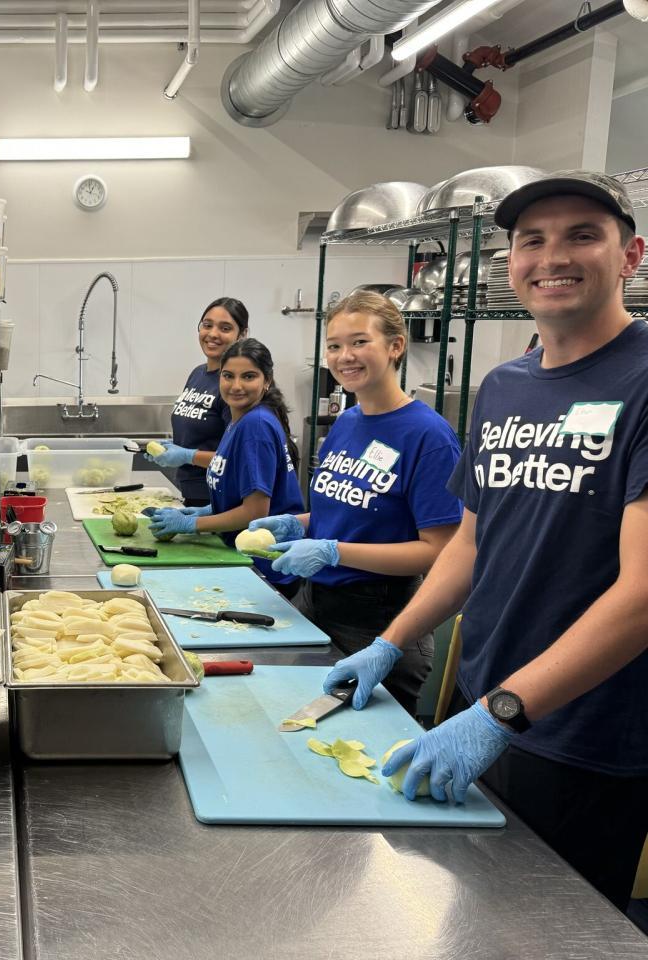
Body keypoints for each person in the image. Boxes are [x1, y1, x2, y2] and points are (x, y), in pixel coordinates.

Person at [333, 171, 648, 918]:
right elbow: (470, 548)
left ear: (632, 255)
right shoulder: (502, 387)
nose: (552, 256)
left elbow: (642, 595)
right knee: (466, 913)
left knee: (547, 929)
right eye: (531, 240)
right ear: (510, 262)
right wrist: (391, 641)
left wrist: (503, 712)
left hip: (584, 731)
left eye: (582, 235)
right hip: (484, 703)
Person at [247, 292, 462, 714]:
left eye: (360, 342)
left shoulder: (428, 436)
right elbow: (347, 509)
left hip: (378, 623)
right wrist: (299, 523)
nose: (345, 356)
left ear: (396, 345)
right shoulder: (347, 422)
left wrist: (334, 551)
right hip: (313, 605)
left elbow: (440, 551)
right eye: (334, 345)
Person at [150, 339, 304, 597]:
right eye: (228, 376)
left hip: (266, 566)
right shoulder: (239, 420)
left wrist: (194, 524)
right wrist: (206, 510)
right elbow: (245, 492)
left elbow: (255, 511)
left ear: (267, 381)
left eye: (249, 376)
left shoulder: (256, 426)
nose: (236, 386)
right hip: (243, 558)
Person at [143, 298, 249, 505]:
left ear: (242, 334)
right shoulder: (198, 374)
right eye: (207, 325)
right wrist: (172, 449)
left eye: (225, 328)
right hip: (189, 492)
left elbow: (239, 457)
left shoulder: (234, 387)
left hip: (218, 498)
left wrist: (187, 455)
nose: (213, 334)